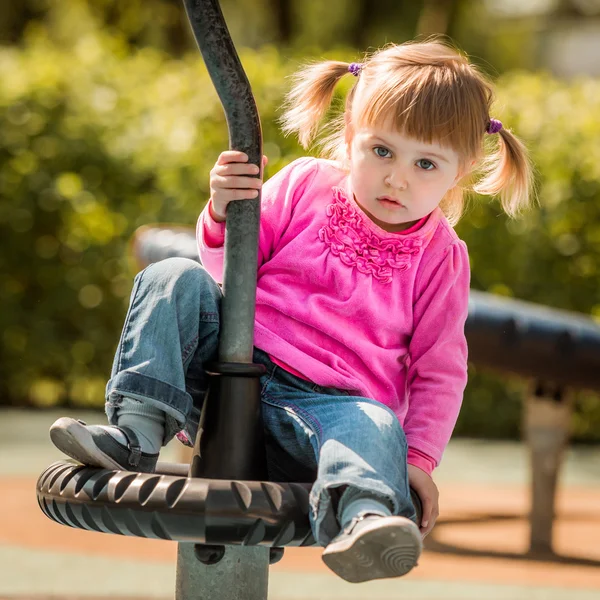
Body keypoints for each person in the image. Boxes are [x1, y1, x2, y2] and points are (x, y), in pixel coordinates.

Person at [50, 39, 533, 583]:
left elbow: (439, 368)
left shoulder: (441, 257)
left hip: (330, 411)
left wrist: (418, 462)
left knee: (376, 423)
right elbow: (225, 266)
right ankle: (135, 435)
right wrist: (220, 210)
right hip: (229, 366)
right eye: (381, 151)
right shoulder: (306, 185)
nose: (397, 178)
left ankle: (364, 518)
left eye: (425, 163)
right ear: (350, 133)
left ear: (461, 171)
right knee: (172, 277)